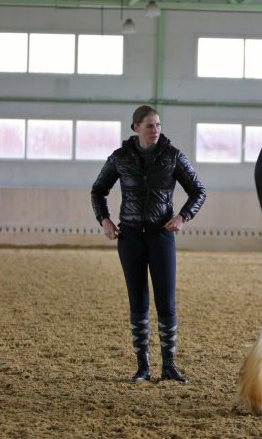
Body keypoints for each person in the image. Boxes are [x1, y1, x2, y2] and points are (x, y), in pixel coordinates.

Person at [91, 105, 206, 383]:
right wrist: (104, 220)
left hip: (161, 236)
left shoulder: (173, 156)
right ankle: (142, 367)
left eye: (158, 125)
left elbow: (198, 190)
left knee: (166, 302)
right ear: (135, 128)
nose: (155, 130)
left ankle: (169, 366)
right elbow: (98, 190)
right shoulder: (119, 158)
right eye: (149, 126)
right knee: (138, 301)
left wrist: (182, 216)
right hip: (129, 237)